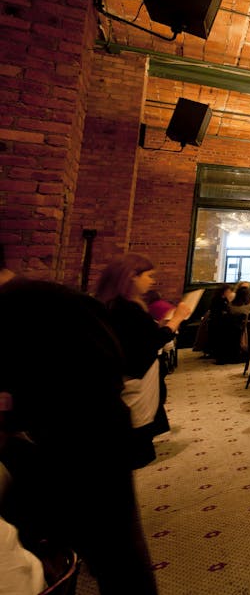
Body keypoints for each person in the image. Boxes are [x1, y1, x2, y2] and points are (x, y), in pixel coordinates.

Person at [0, 280, 161, 594]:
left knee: (118, 550)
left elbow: (111, 366)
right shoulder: (48, 300)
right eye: (145, 275)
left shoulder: (41, 302)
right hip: (66, 440)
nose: (151, 281)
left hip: (87, 440)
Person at [93, 253, 193, 468]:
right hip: (133, 375)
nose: (152, 281)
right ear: (131, 276)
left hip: (132, 373)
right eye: (148, 275)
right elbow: (149, 342)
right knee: (134, 426)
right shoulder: (124, 308)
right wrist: (177, 319)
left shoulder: (114, 304)